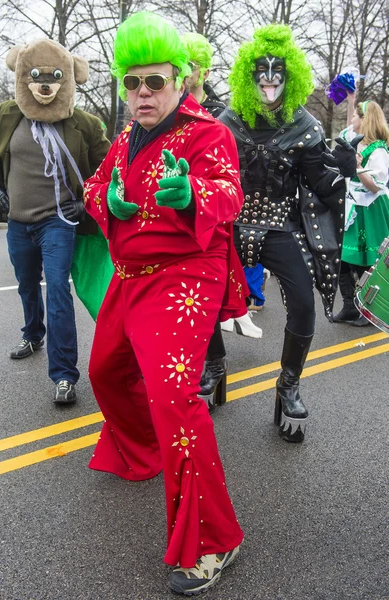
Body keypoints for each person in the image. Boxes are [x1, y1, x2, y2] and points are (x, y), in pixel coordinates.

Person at [84, 12, 244, 595]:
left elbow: (229, 194)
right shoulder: (125, 138)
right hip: (130, 275)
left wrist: (192, 192)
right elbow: (93, 187)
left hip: (182, 275)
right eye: (132, 82)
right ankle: (146, 450)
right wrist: (113, 200)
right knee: (104, 369)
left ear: (179, 81)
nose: (142, 93)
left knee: (175, 398)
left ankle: (212, 541)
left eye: (155, 82)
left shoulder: (208, 134)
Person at [218, 24, 359, 442]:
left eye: (278, 70)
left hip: (281, 225)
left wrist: (345, 174)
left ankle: (289, 383)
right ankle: (212, 365)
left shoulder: (305, 125)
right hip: (233, 221)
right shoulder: (227, 120)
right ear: (249, 74)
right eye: (261, 70)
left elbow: (320, 180)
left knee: (303, 302)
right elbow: (211, 171)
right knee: (203, 295)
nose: (269, 77)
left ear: (290, 75)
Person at [0, 40, 110, 404]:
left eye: (53, 77)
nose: (43, 84)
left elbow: (109, 168)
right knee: (26, 284)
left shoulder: (82, 124)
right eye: (35, 76)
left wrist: (85, 205)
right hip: (18, 222)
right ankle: (32, 332)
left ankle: (64, 375)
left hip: (58, 222)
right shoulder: (10, 114)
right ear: (25, 75)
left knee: (57, 290)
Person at [181, 32, 262, 412]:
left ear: (205, 70)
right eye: (181, 64)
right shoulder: (170, 109)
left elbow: (237, 166)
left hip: (217, 216)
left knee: (209, 297)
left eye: (192, 65)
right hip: (180, 216)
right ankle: (205, 362)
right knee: (186, 298)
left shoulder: (221, 113)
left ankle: (214, 363)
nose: (186, 72)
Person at [333, 95, 389, 325]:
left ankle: (367, 309)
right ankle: (349, 306)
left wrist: (356, 167)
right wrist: (351, 99)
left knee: (367, 259)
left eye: (356, 115)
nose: (352, 119)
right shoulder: (355, 140)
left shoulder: (378, 151)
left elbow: (376, 185)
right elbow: (346, 134)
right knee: (343, 258)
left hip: (371, 210)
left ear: (365, 120)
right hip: (353, 207)